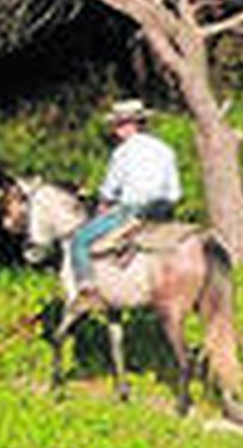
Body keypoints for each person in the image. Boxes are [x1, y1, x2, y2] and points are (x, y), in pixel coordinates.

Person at [69, 100, 181, 308]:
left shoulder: (122, 152)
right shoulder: (165, 149)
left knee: (80, 240)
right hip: (164, 211)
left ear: (132, 124)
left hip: (132, 210)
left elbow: (109, 191)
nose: (116, 129)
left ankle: (88, 290)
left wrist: (102, 204)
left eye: (119, 124)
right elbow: (175, 192)